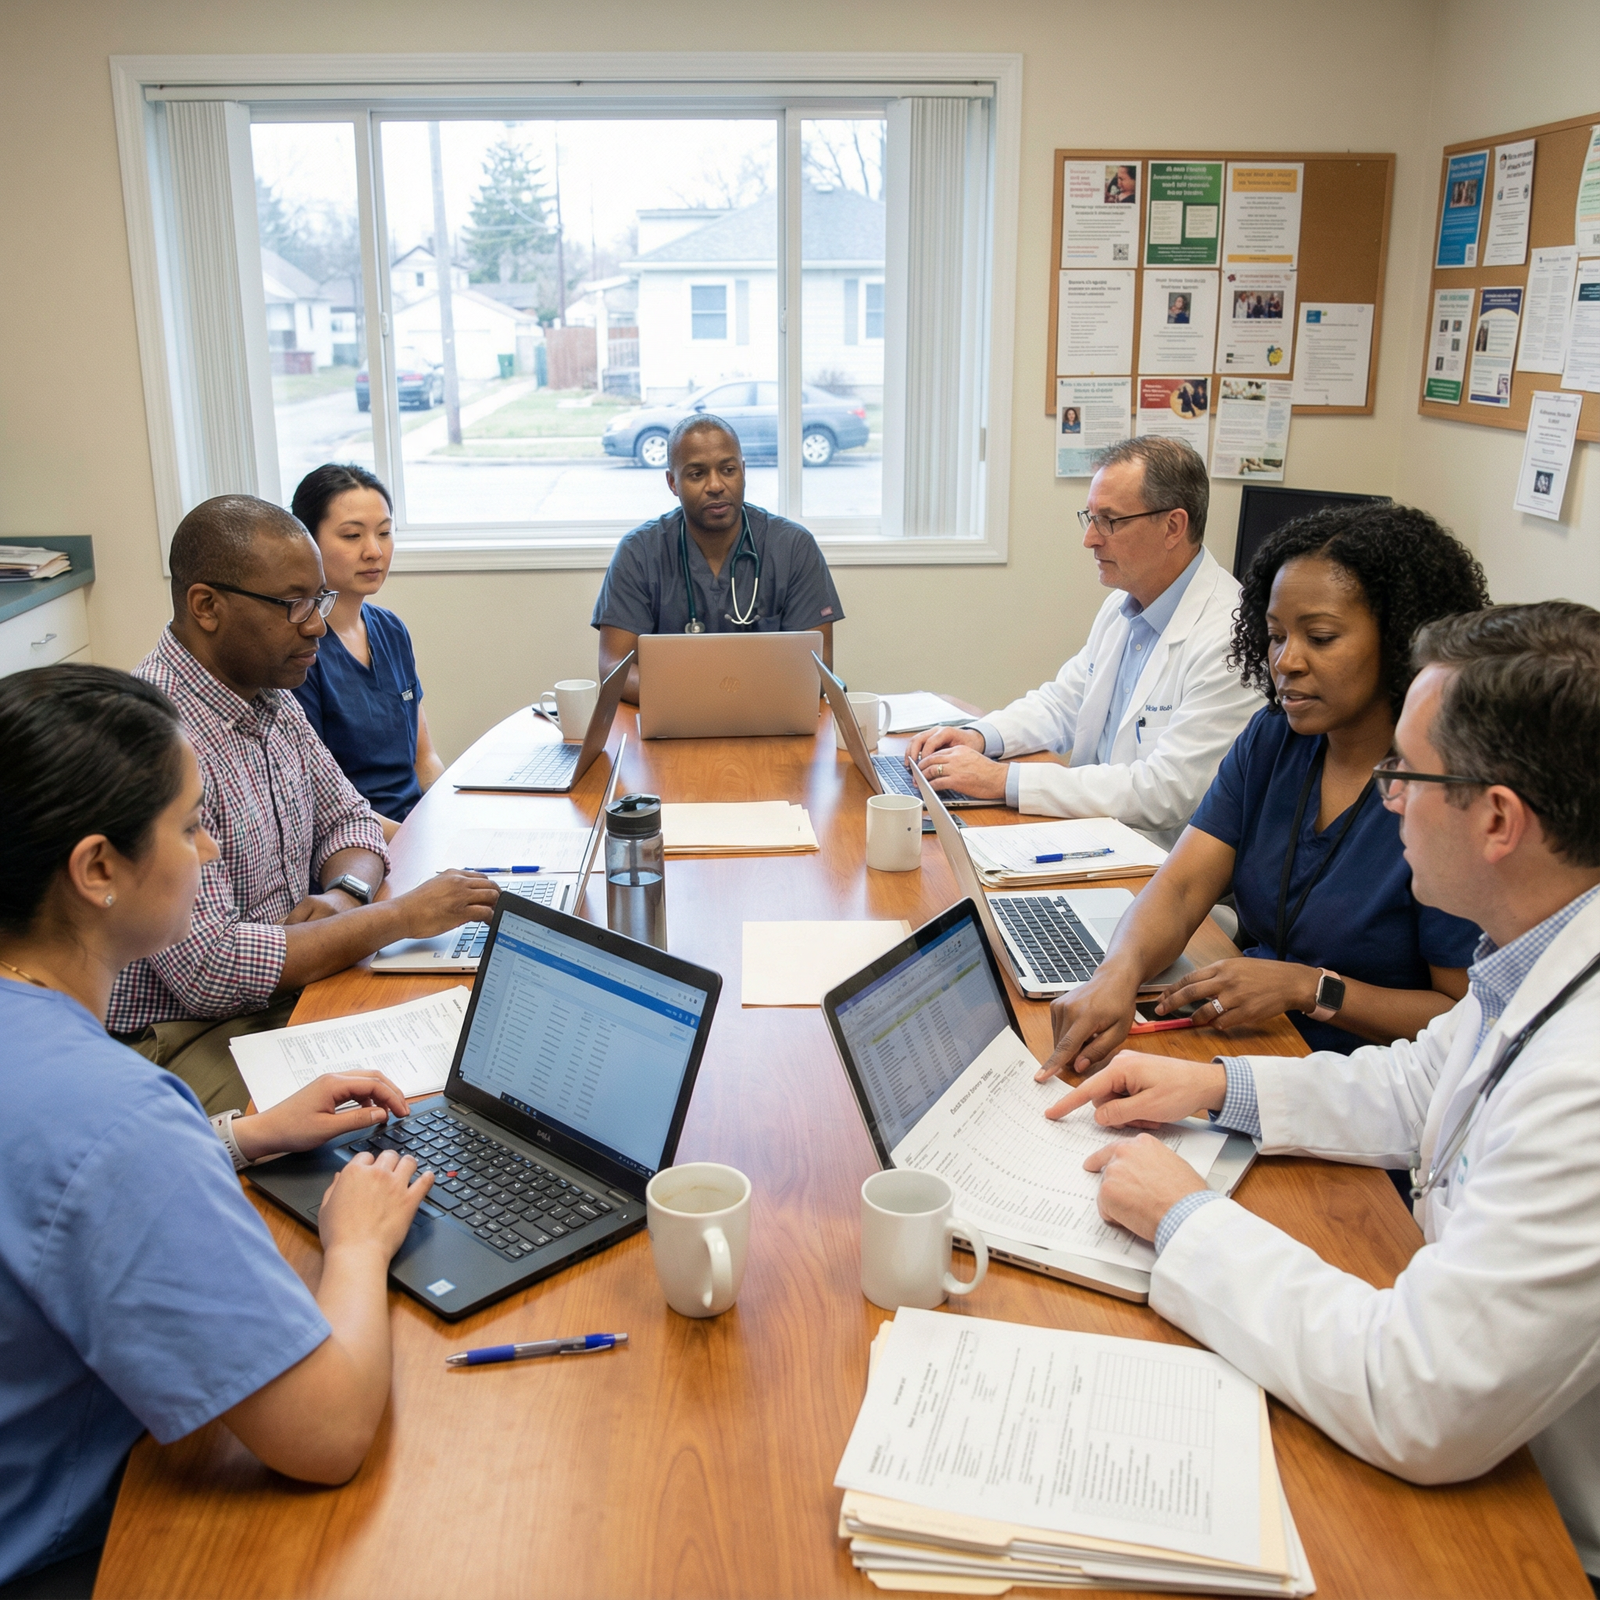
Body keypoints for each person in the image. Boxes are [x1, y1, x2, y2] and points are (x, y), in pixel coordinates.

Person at [1044, 602, 1600, 1584]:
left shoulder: (1584, 1083)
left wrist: (1184, 1218)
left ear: (1499, 818)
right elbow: (1414, 1081)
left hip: (1543, 1534)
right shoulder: (1540, 950)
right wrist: (1212, 1084)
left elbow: (1413, 1395)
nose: (1388, 799)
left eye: (1407, 776)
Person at [0, 663, 434, 1594]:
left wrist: (237, 1137)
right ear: (97, 869)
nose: (206, 853)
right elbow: (327, 1433)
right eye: (191, 825)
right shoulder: (114, 1113)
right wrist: (355, 1245)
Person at [1042, 503, 1487, 1077]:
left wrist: (1311, 989)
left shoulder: (1444, 789)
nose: (1287, 661)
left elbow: (1466, 1017)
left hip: (1366, 1083)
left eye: (1321, 638)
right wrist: (1117, 975)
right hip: (1251, 1046)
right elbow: (1179, 886)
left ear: (1401, 639)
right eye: (1275, 636)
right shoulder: (1273, 740)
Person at [106, 495, 499, 1115]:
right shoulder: (148, 737)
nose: (317, 624)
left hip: (290, 983)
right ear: (206, 606)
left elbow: (350, 818)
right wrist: (396, 918)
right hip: (186, 1034)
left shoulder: (268, 690)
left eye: (319, 600)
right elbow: (211, 970)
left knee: (477, 1044)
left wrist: (344, 896)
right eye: (295, 604)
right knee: (400, 1110)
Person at [908, 437, 1259, 848]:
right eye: (1089, 518)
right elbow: (1062, 703)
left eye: (1110, 520)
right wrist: (981, 737)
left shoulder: (1231, 638)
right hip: (1091, 834)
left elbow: (1165, 793)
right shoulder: (1122, 608)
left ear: (1173, 526)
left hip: (1155, 866)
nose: (1090, 539)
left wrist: (1003, 780)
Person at [591, 413, 845, 702]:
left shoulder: (793, 547)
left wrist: (729, 697)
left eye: (728, 469)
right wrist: (707, 696)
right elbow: (615, 669)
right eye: (697, 474)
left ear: (743, 471)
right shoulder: (639, 553)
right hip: (675, 720)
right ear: (673, 482)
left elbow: (819, 668)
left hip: (767, 721)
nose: (715, 485)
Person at [289, 464, 443, 839]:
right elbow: (320, 804)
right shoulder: (299, 647)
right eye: (352, 535)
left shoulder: (391, 629)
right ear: (308, 541)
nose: (374, 551)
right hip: (358, 844)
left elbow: (424, 760)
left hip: (417, 832)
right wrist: (418, 842)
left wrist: (451, 822)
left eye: (385, 533)